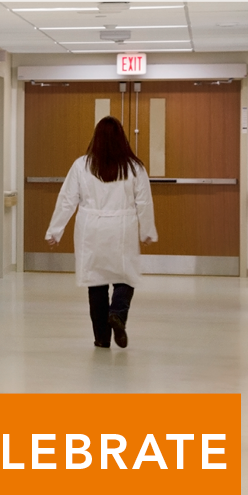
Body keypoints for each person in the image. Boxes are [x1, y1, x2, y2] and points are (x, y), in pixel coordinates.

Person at [45, 116, 157, 348]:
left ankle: (102, 338)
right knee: (125, 277)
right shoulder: (134, 167)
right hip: (122, 228)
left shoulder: (81, 165)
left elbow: (67, 200)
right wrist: (147, 231)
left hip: (91, 229)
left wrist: (55, 231)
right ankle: (117, 312)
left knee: (96, 284)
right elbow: (144, 202)